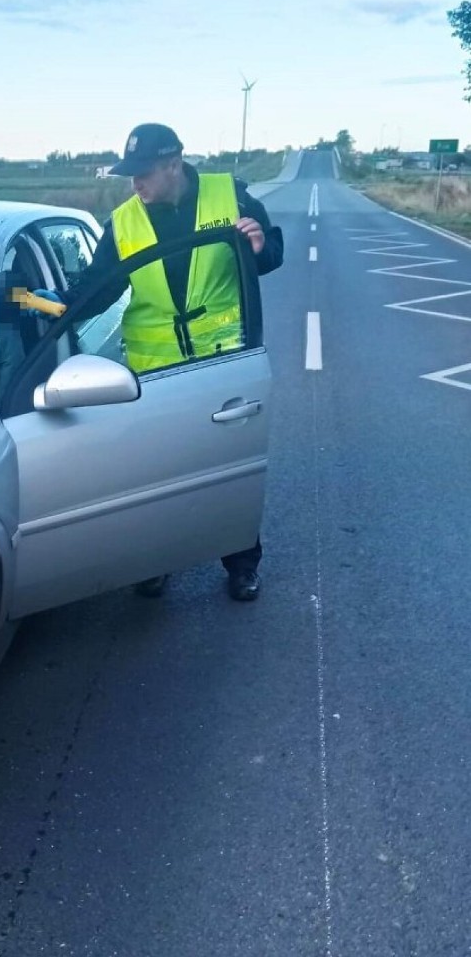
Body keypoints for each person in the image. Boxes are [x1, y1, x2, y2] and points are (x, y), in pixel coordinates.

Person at [38, 123, 284, 601]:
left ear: (174, 165)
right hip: (155, 373)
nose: (136, 184)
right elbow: (100, 286)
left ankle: (241, 562)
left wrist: (258, 248)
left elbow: (272, 253)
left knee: (226, 471)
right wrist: (60, 306)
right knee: (157, 476)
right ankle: (155, 562)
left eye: (144, 173)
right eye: (130, 175)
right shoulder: (124, 222)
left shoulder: (231, 198)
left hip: (221, 364)